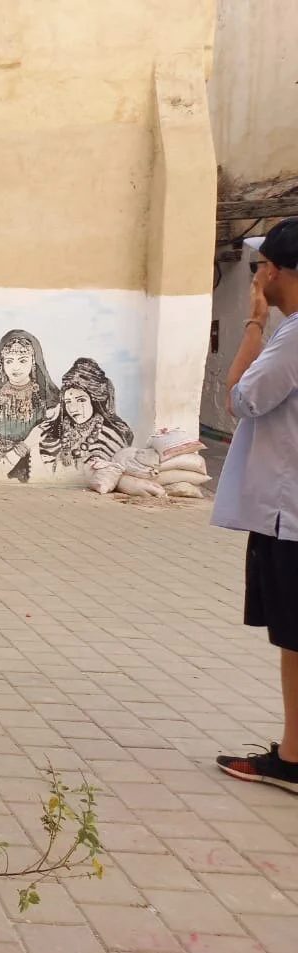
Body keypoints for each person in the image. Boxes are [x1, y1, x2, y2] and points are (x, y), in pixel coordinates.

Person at [212, 217, 298, 793]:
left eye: (263, 264)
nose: (259, 274)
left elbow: (243, 397)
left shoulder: (291, 337)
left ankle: (293, 759)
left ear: (281, 271)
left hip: (288, 514)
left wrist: (252, 324)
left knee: (294, 638)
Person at [0, 330, 61, 482]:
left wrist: (23, 448)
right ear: (2, 364)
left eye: (22, 360)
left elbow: (49, 436)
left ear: (33, 362)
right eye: (9, 361)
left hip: (32, 470)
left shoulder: (47, 401)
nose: (15, 367)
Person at [39, 357, 134, 469]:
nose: (73, 408)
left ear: (94, 400)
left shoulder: (111, 437)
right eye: (68, 402)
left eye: (81, 400)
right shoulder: (52, 432)